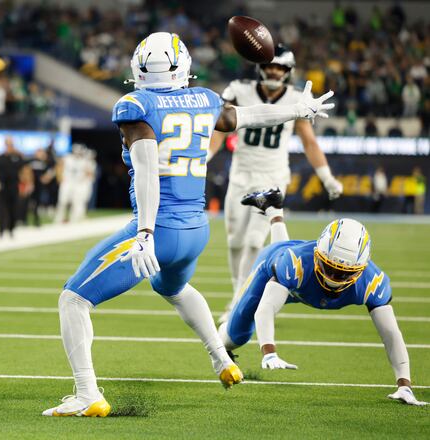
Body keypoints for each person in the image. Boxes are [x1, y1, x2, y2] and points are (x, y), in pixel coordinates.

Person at [43, 32, 335, 417]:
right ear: (183, 65)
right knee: (174, 287)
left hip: (159, 229)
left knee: (73, 299)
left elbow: (147, 172)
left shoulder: (136, 104)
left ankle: (87, 394)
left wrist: (144, 233)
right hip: (195, 229)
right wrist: (297, 110)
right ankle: (221, 359)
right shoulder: (204, 100)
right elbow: (243, 117)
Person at [219, 188, 426, 406]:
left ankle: (273, 209)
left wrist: (405, 385)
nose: (334, 278)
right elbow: (266, 308)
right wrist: (269, 351)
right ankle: (220, 335)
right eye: (329, 268)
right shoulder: (295, 264)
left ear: (361, 268)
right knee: (235, 337)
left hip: (298, 279)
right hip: (274, 269)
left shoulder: (372, 282)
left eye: (345, 273)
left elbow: (391, 334)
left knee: (290, 264)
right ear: (319, 256)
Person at [207, 44, 344, 317]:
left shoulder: (296, 97)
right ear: (260, 68)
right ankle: (239, 291)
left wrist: (327, 177)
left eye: (279, 67)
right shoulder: (239, 89)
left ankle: (239, 302)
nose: (273, 71)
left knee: (256, 240)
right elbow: (220, 130)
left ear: (288, 72)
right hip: (241, 174)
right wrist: (204, 157)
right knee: (235, 241)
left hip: (272, 177)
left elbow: (309, 142)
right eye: (270, 66)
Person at [0, 137, 26, 238]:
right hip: (2, 187)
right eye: (8, 144)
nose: (10, 147)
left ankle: (11, 229)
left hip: (14, 186)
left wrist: (24, 185)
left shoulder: (17, 157)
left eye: (11, 144)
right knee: (1, 210)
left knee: (13, 209)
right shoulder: (0, 158)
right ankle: (1, 230)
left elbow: (24, 171)